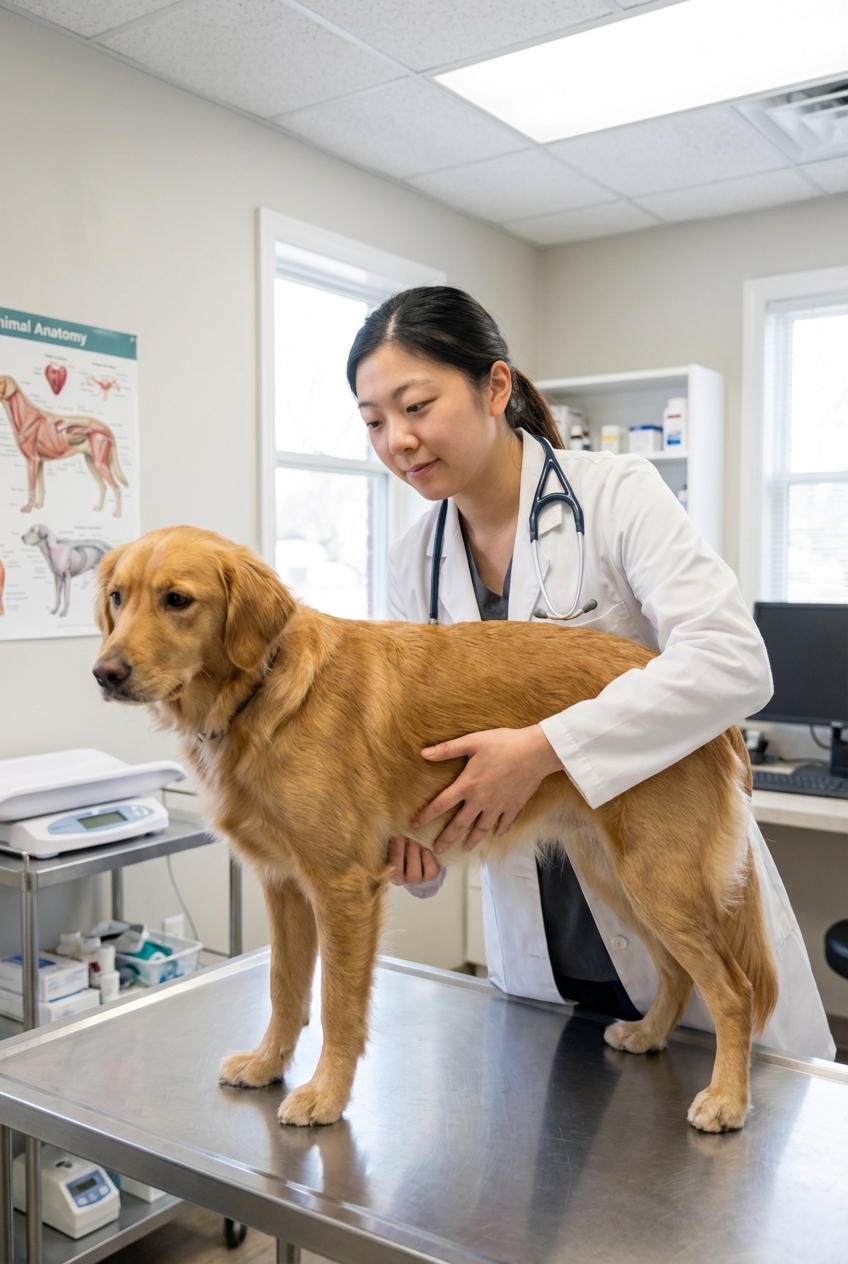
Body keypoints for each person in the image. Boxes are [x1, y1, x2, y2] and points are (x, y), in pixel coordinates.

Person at [347, 285, 835, 1059]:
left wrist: (544, 749)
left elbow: (732, 660)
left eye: (415, 406)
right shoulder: (414, 560)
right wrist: (414, 848)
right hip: (537, 935)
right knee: (562, 1144)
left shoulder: (616, 494)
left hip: (662, 850)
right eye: (374, 421)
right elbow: (430, 746)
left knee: (725, 1164)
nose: (397, 440)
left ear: (495, 388)